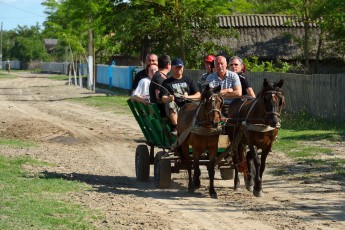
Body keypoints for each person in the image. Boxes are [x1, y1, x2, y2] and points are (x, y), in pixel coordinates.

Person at [160, 58, 201, 134]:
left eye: (180, 67)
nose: (179, 69)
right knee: (170, 103)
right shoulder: (166, 82)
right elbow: (163, 98)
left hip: (189, 107)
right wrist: (169, 98)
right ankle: (177, 127)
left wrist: (188, 97)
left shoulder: (188, 80)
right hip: (176, 108)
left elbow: (198, 95)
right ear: (172, 68)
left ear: (183, 68)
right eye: (177, 67)